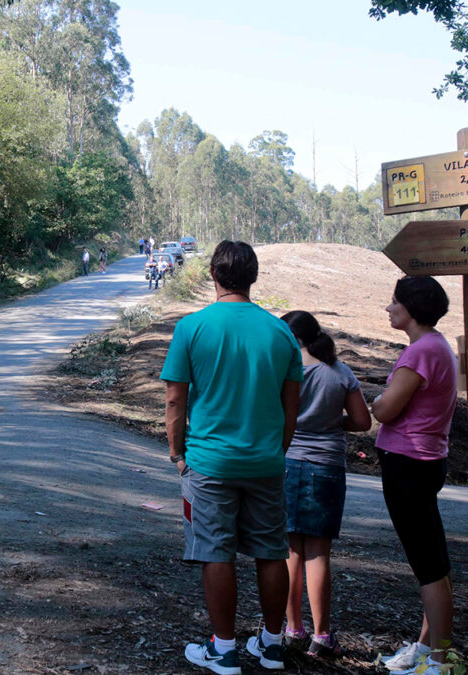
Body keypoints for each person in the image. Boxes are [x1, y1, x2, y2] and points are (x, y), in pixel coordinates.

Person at [161, 241, 303, 675]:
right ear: (253, 277)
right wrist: (275, 450)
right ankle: (273, 644)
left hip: (209, 463)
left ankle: (224, 650)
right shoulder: (281, 332)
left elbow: (174, 400)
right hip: (265, 461)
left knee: (215, 552)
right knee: (271, 551)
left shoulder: (192, 327)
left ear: (213, 275)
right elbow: (291, 405)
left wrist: (177, 454)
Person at [370, 276, 457, 675]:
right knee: (433, 561)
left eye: (394, 302)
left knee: (428, 567)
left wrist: (375, 400)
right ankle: (426, 649)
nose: (388, 308)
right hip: (426, 460)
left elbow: (386, 410)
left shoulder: (421, 352)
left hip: (409, 464)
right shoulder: (437, 347)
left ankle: (438, 661)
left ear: (411, 308)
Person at [279, 310, 372, 658]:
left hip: (286, 462)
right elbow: (363, 422)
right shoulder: (340, 373)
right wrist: (333, 422)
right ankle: (322, 636)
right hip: (327, 466)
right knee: (318, 553)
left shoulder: (284, 372)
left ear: (290, 339)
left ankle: (292, 630)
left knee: (290, 550)